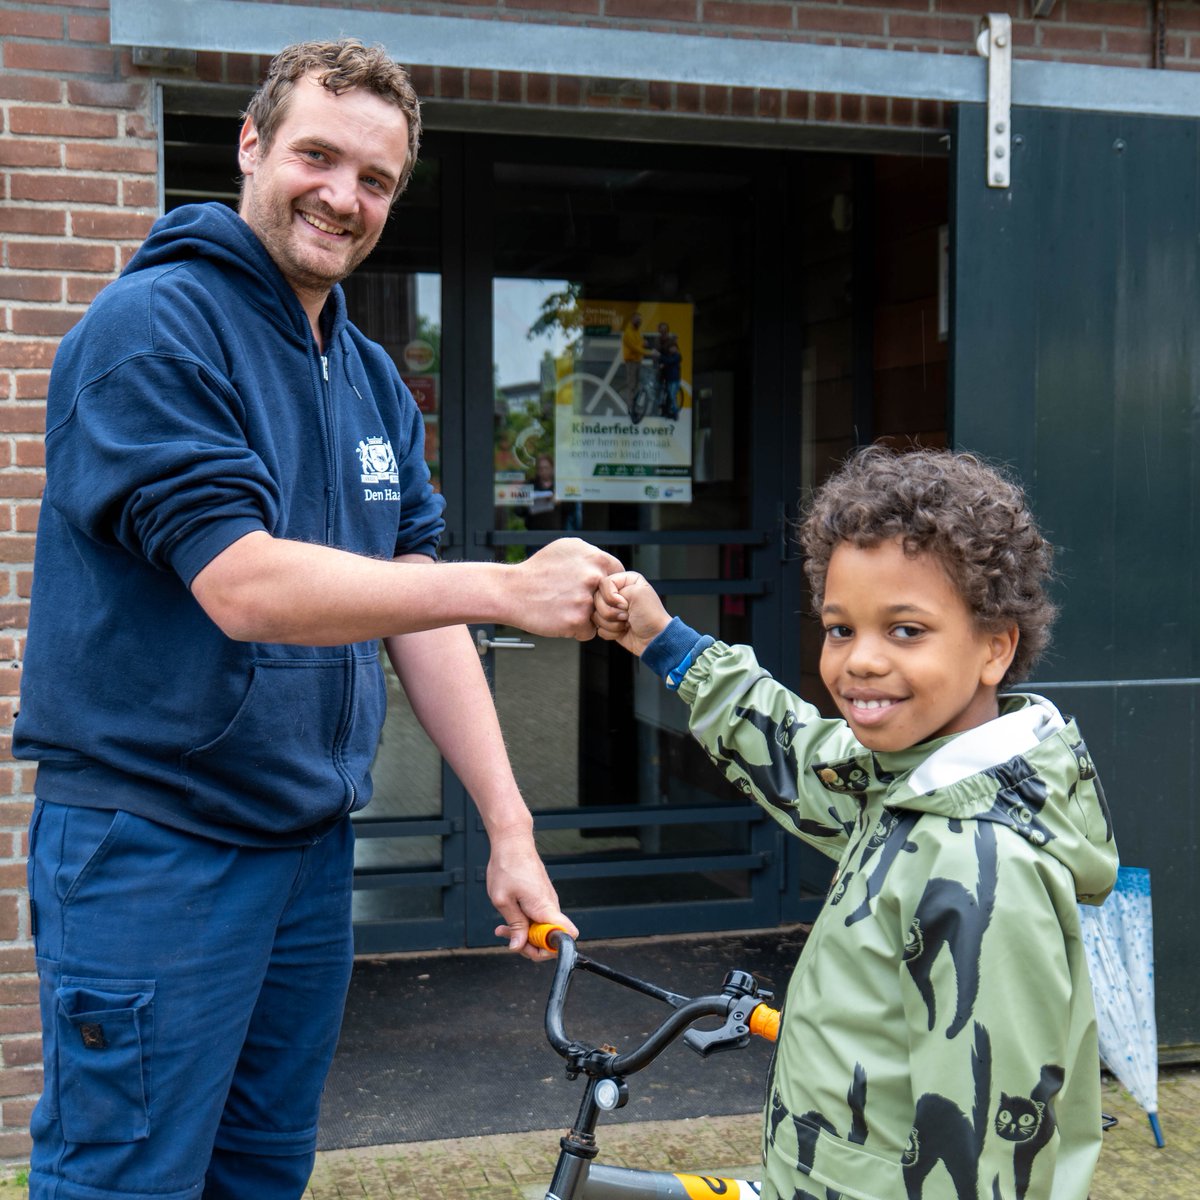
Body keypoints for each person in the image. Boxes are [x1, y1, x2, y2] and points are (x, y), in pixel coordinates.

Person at [14, 38, 621, 1200]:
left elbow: (415, 606)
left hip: (305, 855)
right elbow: (242, 585)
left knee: (262, 1177)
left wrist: (507, 826)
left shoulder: (370, 376)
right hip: (156, 848)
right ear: (251, 144)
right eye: (318, 156)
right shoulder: (154, 330)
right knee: (125, 1181)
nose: (344, 197)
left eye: (377, 180)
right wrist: (505, 586)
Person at [594, 446, 1118, 1200]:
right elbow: (803, 758)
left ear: (995, 648)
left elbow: (985, 1161)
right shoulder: (910, 779)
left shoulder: (979, 864)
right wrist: (664, 641)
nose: (859, 661)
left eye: (905, 630)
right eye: (841, 629)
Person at [621, 311, 646, 411]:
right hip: (631, 362)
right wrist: (648, 352)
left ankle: (634, 406)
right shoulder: (628, 332)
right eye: (637, 319)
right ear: (632, 320)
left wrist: (643, 343)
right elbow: (634, 348)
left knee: (636, 384)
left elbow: (638, 344)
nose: (639, 321)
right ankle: (630, 407)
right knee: (632, 384)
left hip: (637, 361)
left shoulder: (637, 332)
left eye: (640, 320)